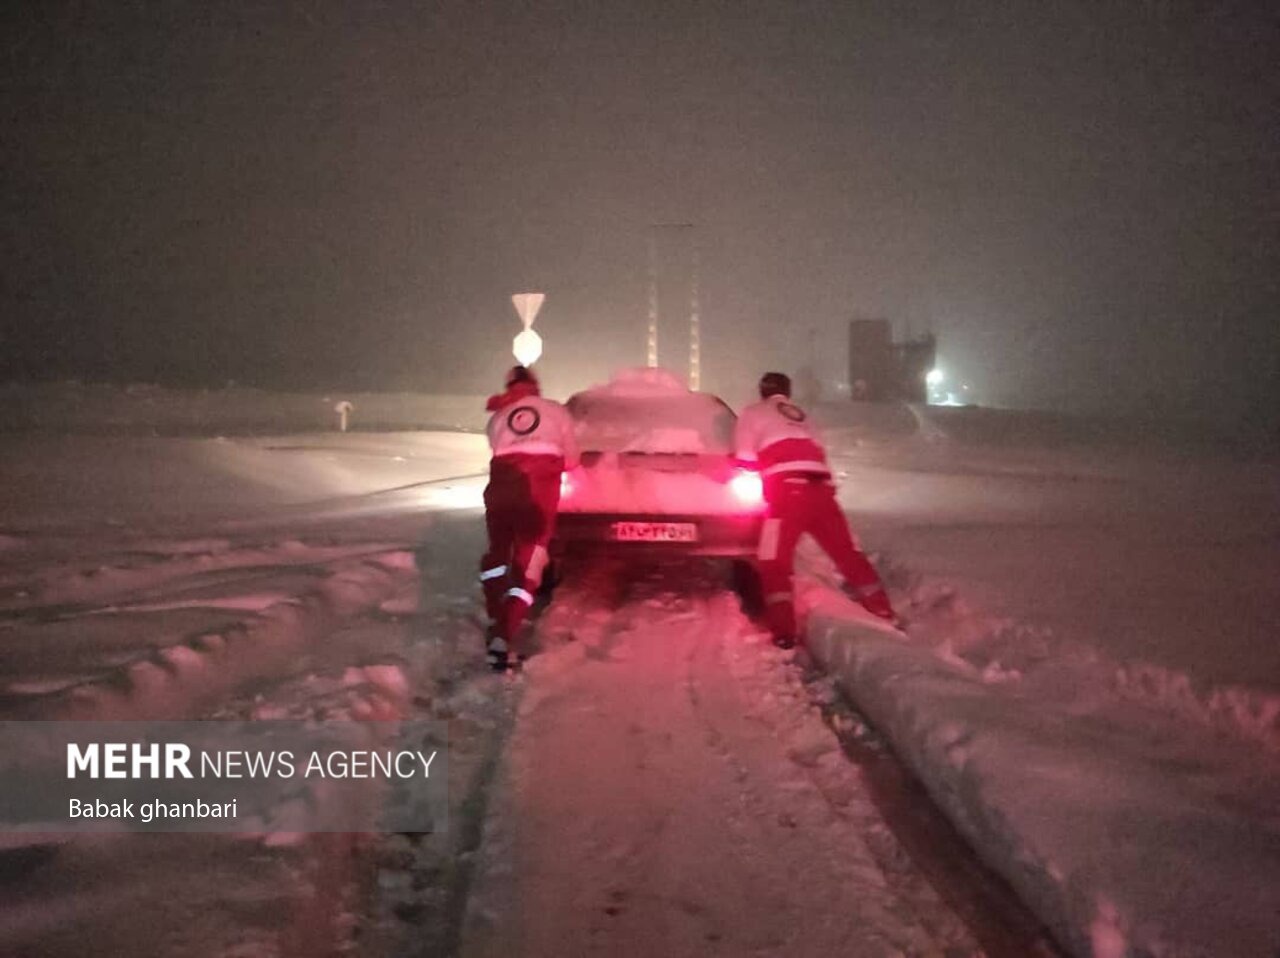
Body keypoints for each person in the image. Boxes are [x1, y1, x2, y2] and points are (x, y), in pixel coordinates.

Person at [734, 371, 899, 649]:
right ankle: (883, 610)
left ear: (762, 391)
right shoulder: (801, 415)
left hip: (787, 494)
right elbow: (817, 450)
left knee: (773, 561)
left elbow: (744, 459)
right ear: (787, 391)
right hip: (822, 492)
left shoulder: (752, 413)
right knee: (846, 553)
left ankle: (784, 631)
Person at [479, 365, 578, 669]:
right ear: (535, 385)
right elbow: (572, 459)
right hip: (536, 498)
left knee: (497, 559)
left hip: (499, 493)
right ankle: (504, 634)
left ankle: (497, 617)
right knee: (528, 564)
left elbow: (497, 452)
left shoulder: (498, 417)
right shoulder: (555, 412)